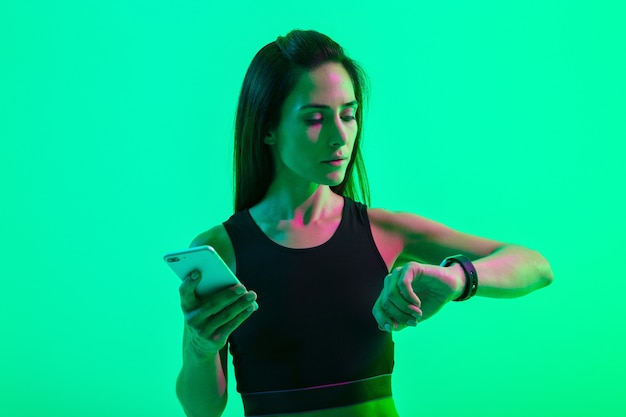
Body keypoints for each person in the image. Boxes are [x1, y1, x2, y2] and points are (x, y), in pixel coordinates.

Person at [175, 29, 553, 417]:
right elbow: (202, 409)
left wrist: (457, 279)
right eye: (315, 118)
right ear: (267, 127)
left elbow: (536, 267)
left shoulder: (385, 231)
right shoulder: (220, 250)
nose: (340, 136)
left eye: (349, 114)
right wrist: (198, 347)